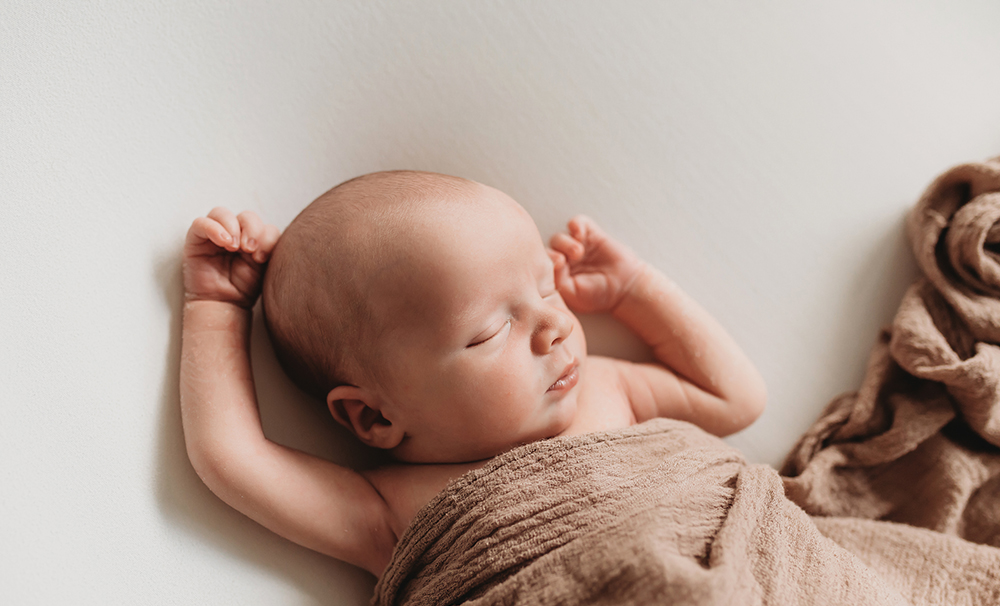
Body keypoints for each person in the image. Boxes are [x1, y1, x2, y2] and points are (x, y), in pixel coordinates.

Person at [179, 170, 767, 578]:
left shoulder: (608, 387)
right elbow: (231, 458)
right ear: (374, 415)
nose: (554, 326)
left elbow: (735, 398)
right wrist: (216, 309)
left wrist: (637, 290)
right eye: (489, 331)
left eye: (547, 288)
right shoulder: (391, 512)